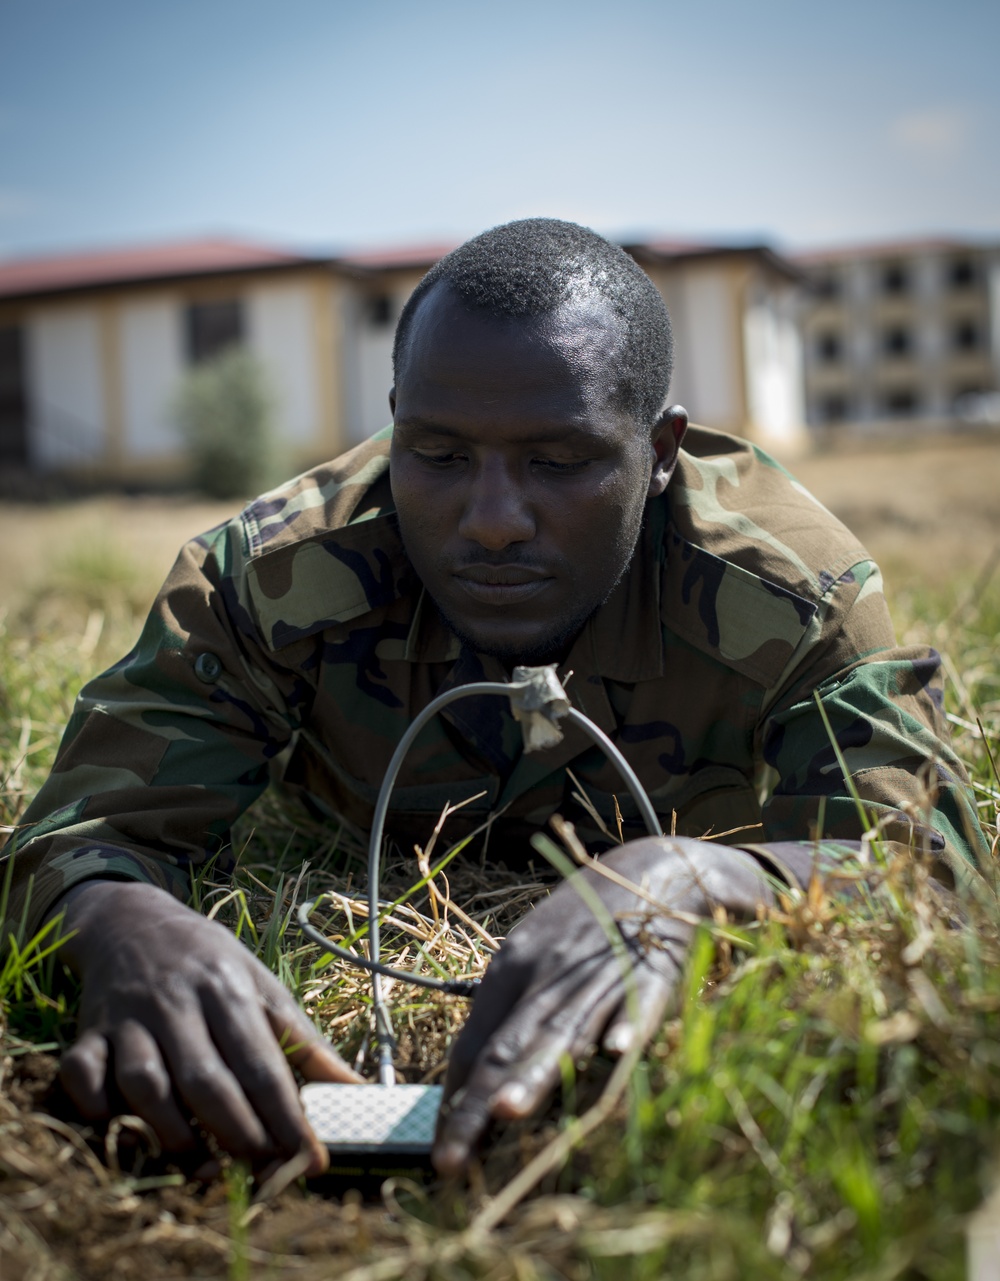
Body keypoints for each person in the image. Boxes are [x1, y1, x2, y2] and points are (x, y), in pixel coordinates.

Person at [1, 218, 986, 1180]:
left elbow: (916, 875)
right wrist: (120, 927)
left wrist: (698, 881)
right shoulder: (273, 580)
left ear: (661, 453)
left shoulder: (791, 598)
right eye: (437, 455)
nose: (493, 521)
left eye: (558, 463)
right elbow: (83, 833)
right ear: (395, 421)